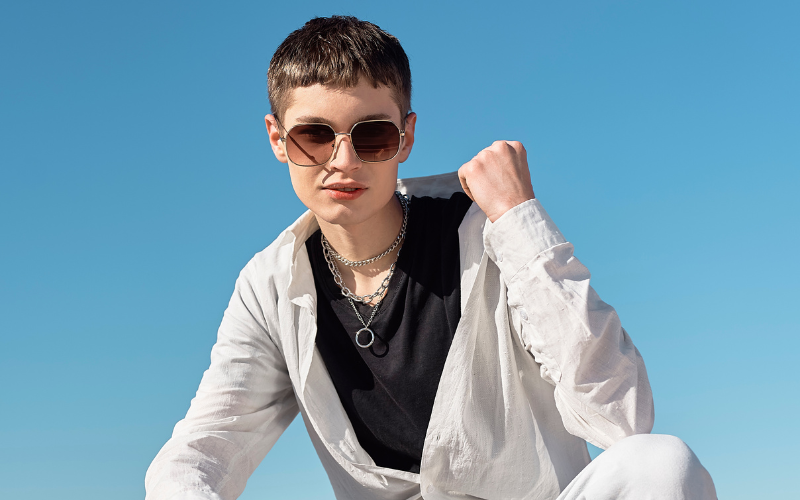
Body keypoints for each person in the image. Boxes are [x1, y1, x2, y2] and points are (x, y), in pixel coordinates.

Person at [145, 15, 717, 500]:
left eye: (371, 135)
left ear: (406, 136)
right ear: (277, 138)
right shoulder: (270, 285)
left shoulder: (485, 228)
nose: (343, 161)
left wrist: (520, 220)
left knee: (660, 465)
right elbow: (203, 448)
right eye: (314, 136)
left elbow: (620, 416)